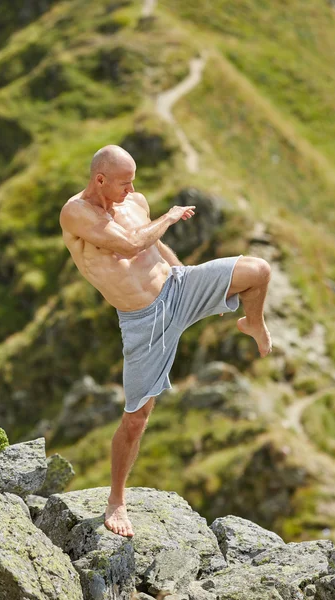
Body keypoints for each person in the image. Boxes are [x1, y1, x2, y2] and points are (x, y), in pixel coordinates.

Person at [59, 144, 272, 538]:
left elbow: (152, 246)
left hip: (178, 288)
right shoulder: (76, 213)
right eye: (124, 182)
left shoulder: (135, 200)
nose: (132, 188)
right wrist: (170, 217)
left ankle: (252, 323)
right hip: (144, 321)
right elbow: (129, 245)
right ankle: (116, 500)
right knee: (136, 418)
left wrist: (183, 274)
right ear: (99, 179)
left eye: (134, 180)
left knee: (257, 270)